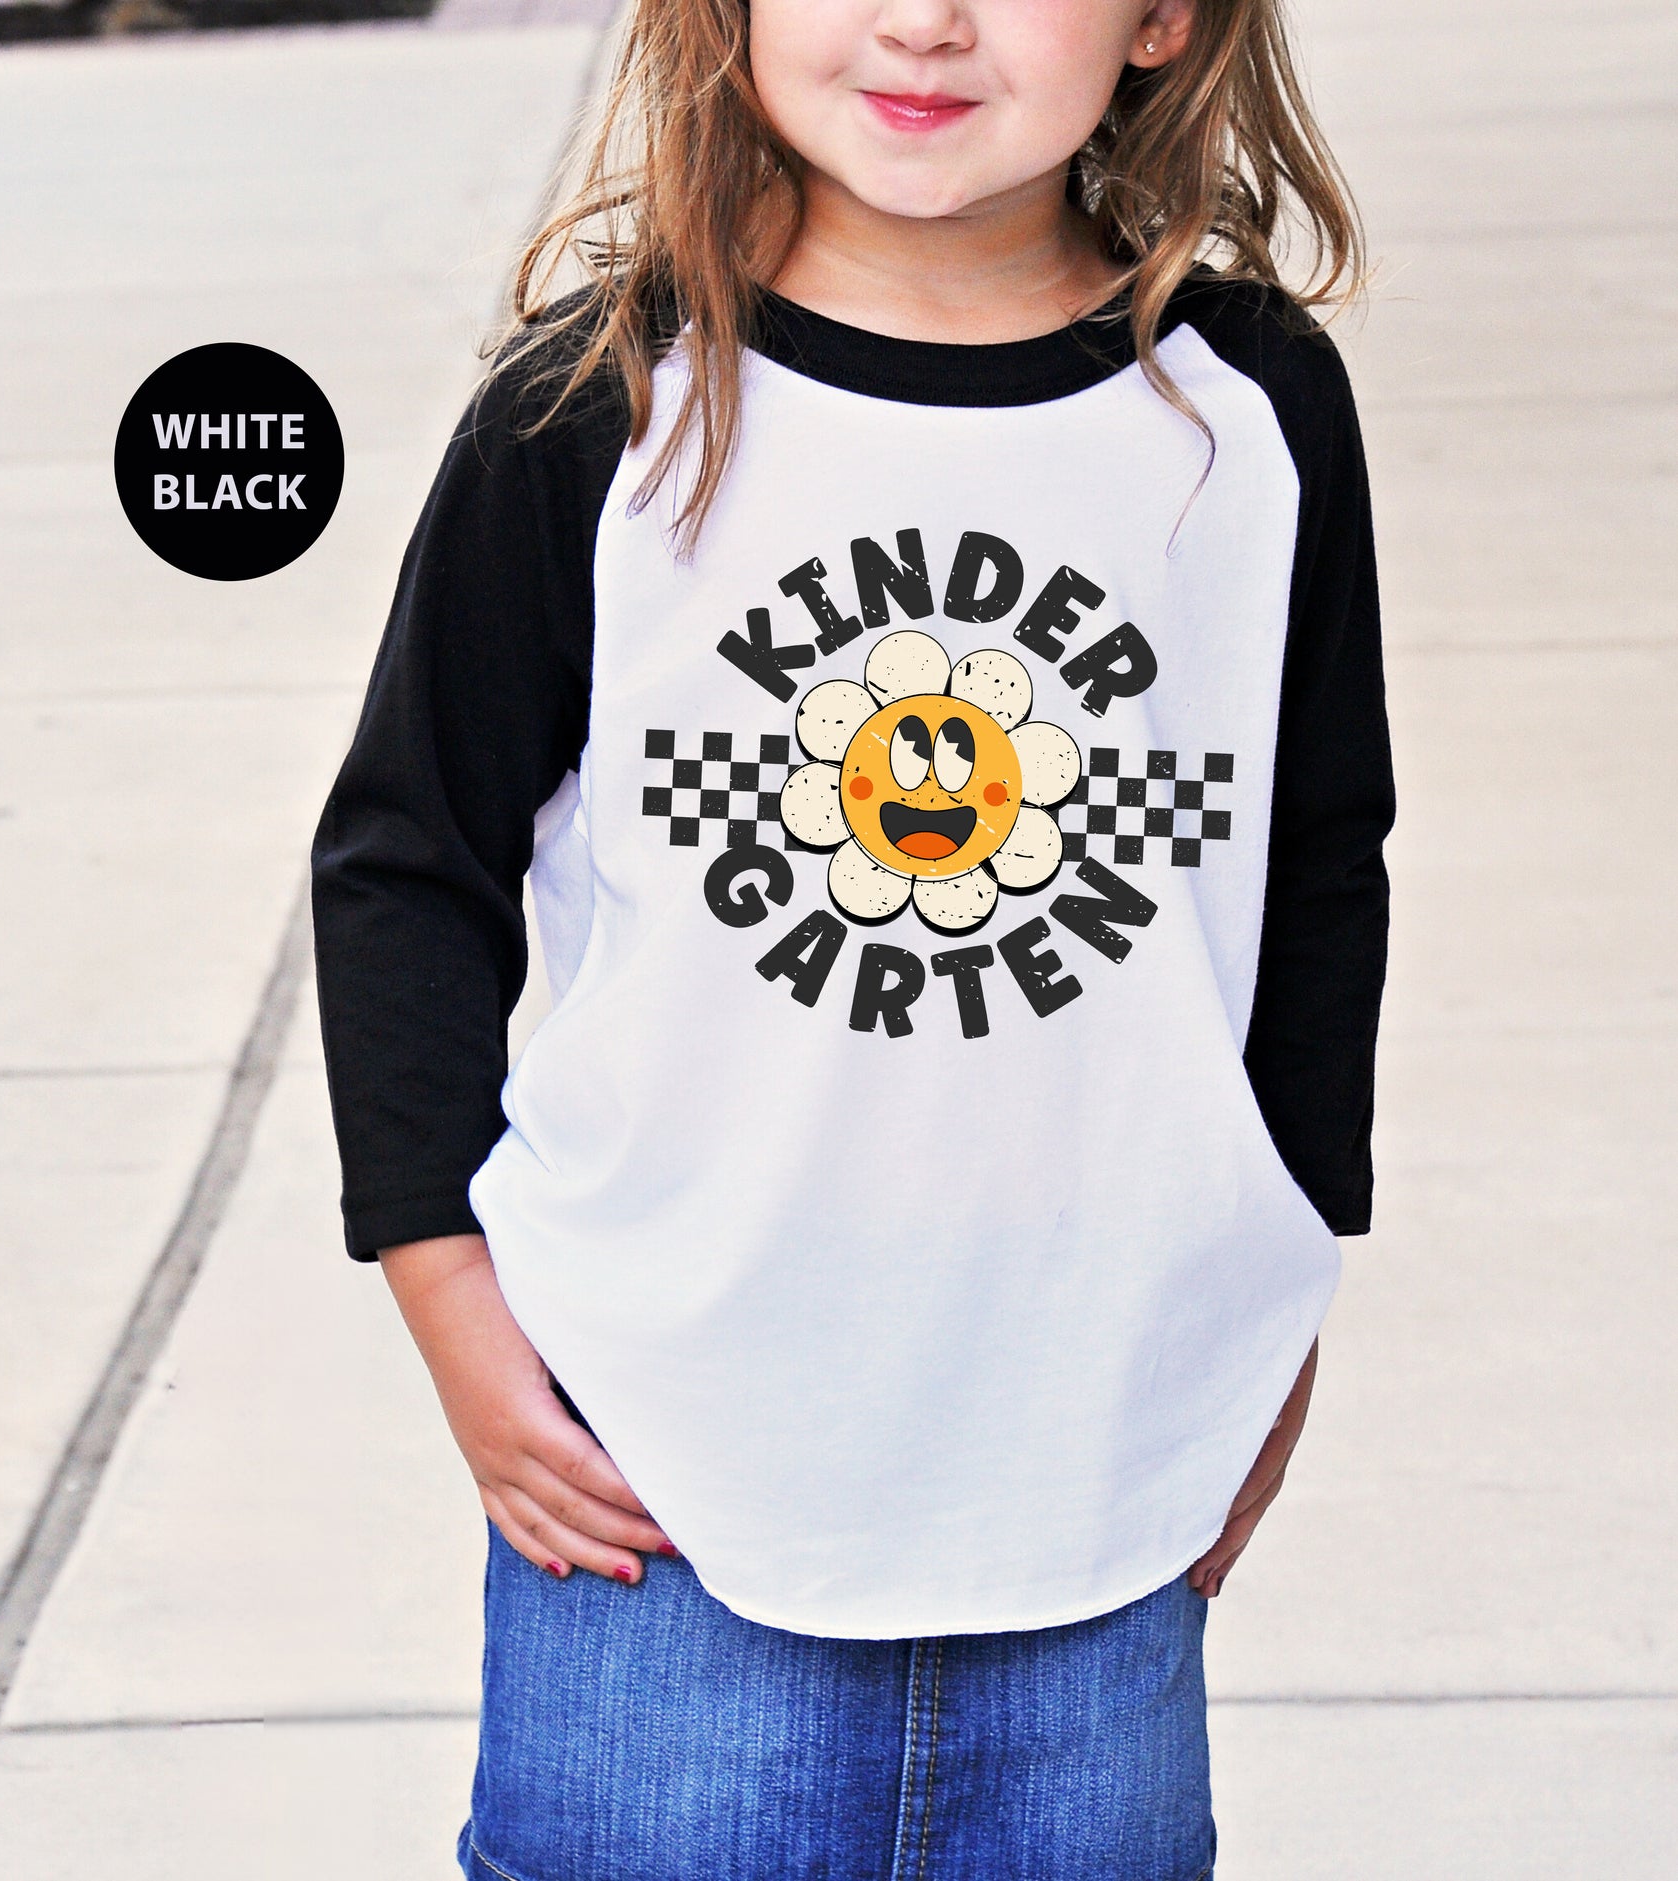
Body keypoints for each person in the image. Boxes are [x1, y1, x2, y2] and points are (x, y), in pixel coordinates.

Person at [312, 0, 1391, 1872]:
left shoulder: (1246, 407)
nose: (922, 20)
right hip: (658, 1477)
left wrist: (1280, 1285)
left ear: (1161, 23)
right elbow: (409, 860)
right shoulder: (603, 411)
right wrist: (446, 1296)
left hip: (1104, 1454)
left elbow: (1317, 865)